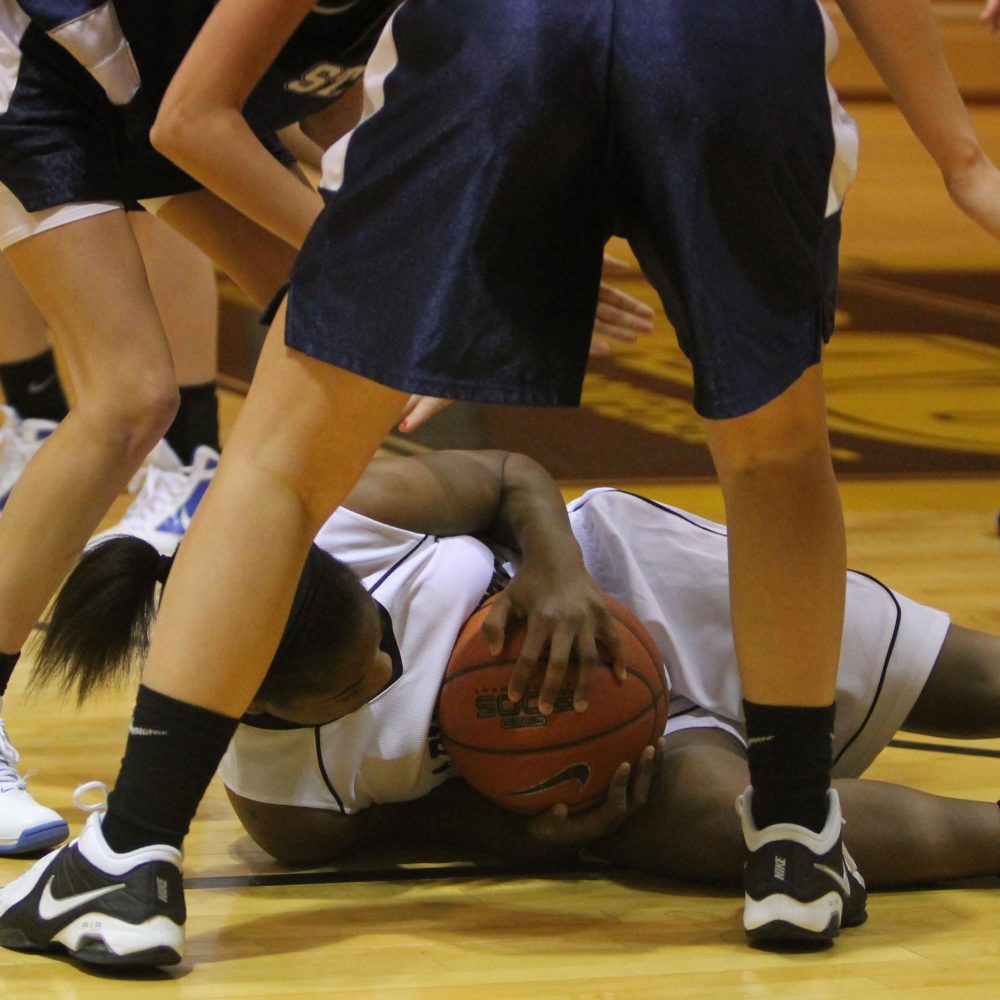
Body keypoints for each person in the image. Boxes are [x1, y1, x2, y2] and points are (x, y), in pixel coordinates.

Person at [4, 0, 998, 967]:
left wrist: (403, 271)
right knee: (775, 456)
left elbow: (198, 113)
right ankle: (792, 838)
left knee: (279, 468)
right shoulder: (300, 794)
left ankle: (130, 853)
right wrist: (960, 158)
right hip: (728, 35)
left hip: (495, 32)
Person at [9, 449, 999, 965]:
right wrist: (546, 837)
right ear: (262, 703)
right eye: (364, 682)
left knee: (979, 683)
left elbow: (509, 473)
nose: (392, 659)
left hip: (628, 578)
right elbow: (432, 833)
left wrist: (559, 573)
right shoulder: (286, 803)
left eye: (378, 631)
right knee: (731, 827)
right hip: (609, 759)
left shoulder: (353, 517)